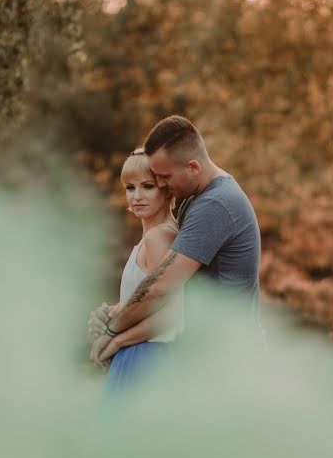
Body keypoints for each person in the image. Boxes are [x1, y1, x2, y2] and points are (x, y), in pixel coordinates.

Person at [89, 115, 261, 366]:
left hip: (224, 357)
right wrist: (114, 312)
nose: (161, 184)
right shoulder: (197, 197)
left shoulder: (215, 204)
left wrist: (112, 333)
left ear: (192, 167)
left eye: (164, 176)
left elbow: (161, 289)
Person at [87, 148, 183, 388]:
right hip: (142, 354)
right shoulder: (155, 235)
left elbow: (171, 315)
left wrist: (116, 341)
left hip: (145, 358)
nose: (136, 196)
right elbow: (145, 303)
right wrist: (110, 313)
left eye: (147, 186)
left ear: (167, 189)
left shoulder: (159, 237)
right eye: (130, 187)